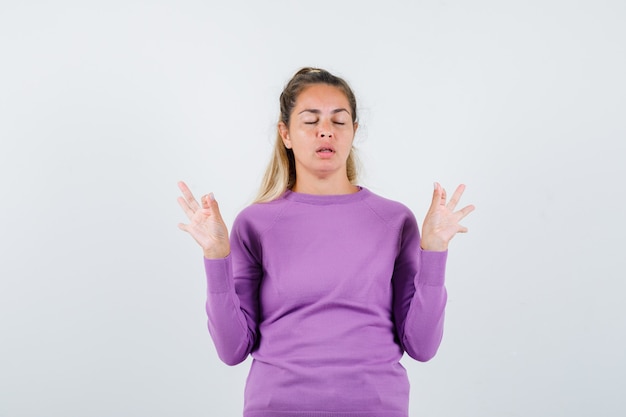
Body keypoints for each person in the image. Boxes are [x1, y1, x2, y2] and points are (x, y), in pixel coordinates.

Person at [177, 67, 474, 417]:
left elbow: (422, 346)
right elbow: (232, 350)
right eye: (310, 120)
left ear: (354, 132)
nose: (325, 131)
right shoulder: (255, 224)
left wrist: (435, 251)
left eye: (339, 121)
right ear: (285, 133)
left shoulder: (395, 221)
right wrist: (216, 256)